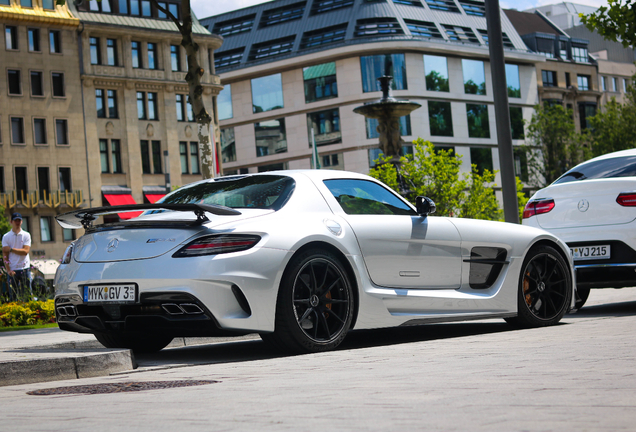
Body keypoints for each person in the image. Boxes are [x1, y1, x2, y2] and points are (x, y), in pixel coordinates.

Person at [2, 213, 32, 300]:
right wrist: (8, 270)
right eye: (16, 220)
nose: (17, 222)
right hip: (13, 269)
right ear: (11, 222)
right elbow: (5, 254)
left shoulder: (26, 235)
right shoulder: (6, 236)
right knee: (13, 296)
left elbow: (25, 251)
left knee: (26, 295)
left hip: (25, 268)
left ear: (22, 222)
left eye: (19, 220)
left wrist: (11, 249)